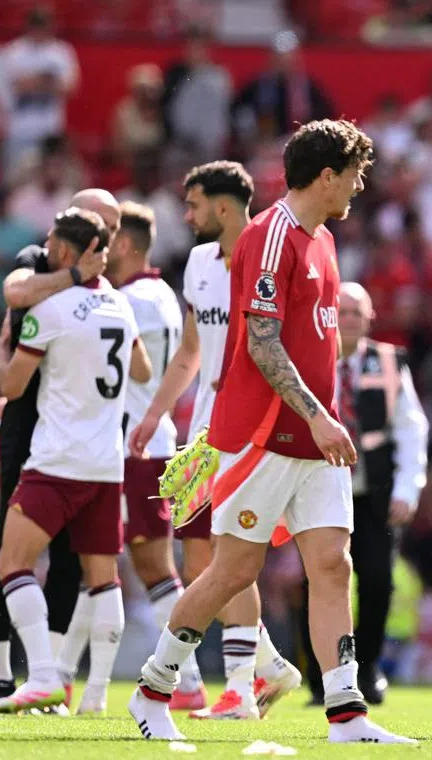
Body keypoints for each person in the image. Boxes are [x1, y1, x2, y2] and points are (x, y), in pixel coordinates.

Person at [126, 119, 416, 745]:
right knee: (232, 572)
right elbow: (261, 343)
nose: (361, 188)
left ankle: (346, 714)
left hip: (314, 438)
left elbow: (314, 344)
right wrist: (317, 413)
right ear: (328, 174)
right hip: (262, 436)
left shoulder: (325, 242)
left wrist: (322, 417)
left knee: (333, 566)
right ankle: (153, 691)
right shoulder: (268, 236)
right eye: (356, 174)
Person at [127, 161, 301, 717]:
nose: (188, 214)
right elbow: (189, 352)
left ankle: (241, 685)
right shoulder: (200, 262)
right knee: (204, 560)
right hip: (205, 428)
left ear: (222, 207)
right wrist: (156, 415)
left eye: (195, 203)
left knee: (229, 556)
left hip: (252, 429)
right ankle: (266, 668)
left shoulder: (268, 255)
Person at [0, 208, 152, 713]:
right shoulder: (121, 306)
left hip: (57, 459)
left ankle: (40, 674)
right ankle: (96, 694)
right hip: (106, 462)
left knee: (11, 563)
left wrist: (2, 350)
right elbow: (142, 371)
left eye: (52, 242)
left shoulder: (50, 311)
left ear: (61, 251)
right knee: (103, 579)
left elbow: (12, 387)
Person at [300, 281, 429, 706]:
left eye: (358, 311)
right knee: (316, 582)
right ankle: (322, 678)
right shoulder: (310, 356)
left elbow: (412, 430)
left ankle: (368, 669)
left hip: (371, 494)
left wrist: (409, 487)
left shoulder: (389, 362)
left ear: (371, 317)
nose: (350, 318)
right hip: (318, 488)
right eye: (343, 309)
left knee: (377, 582)